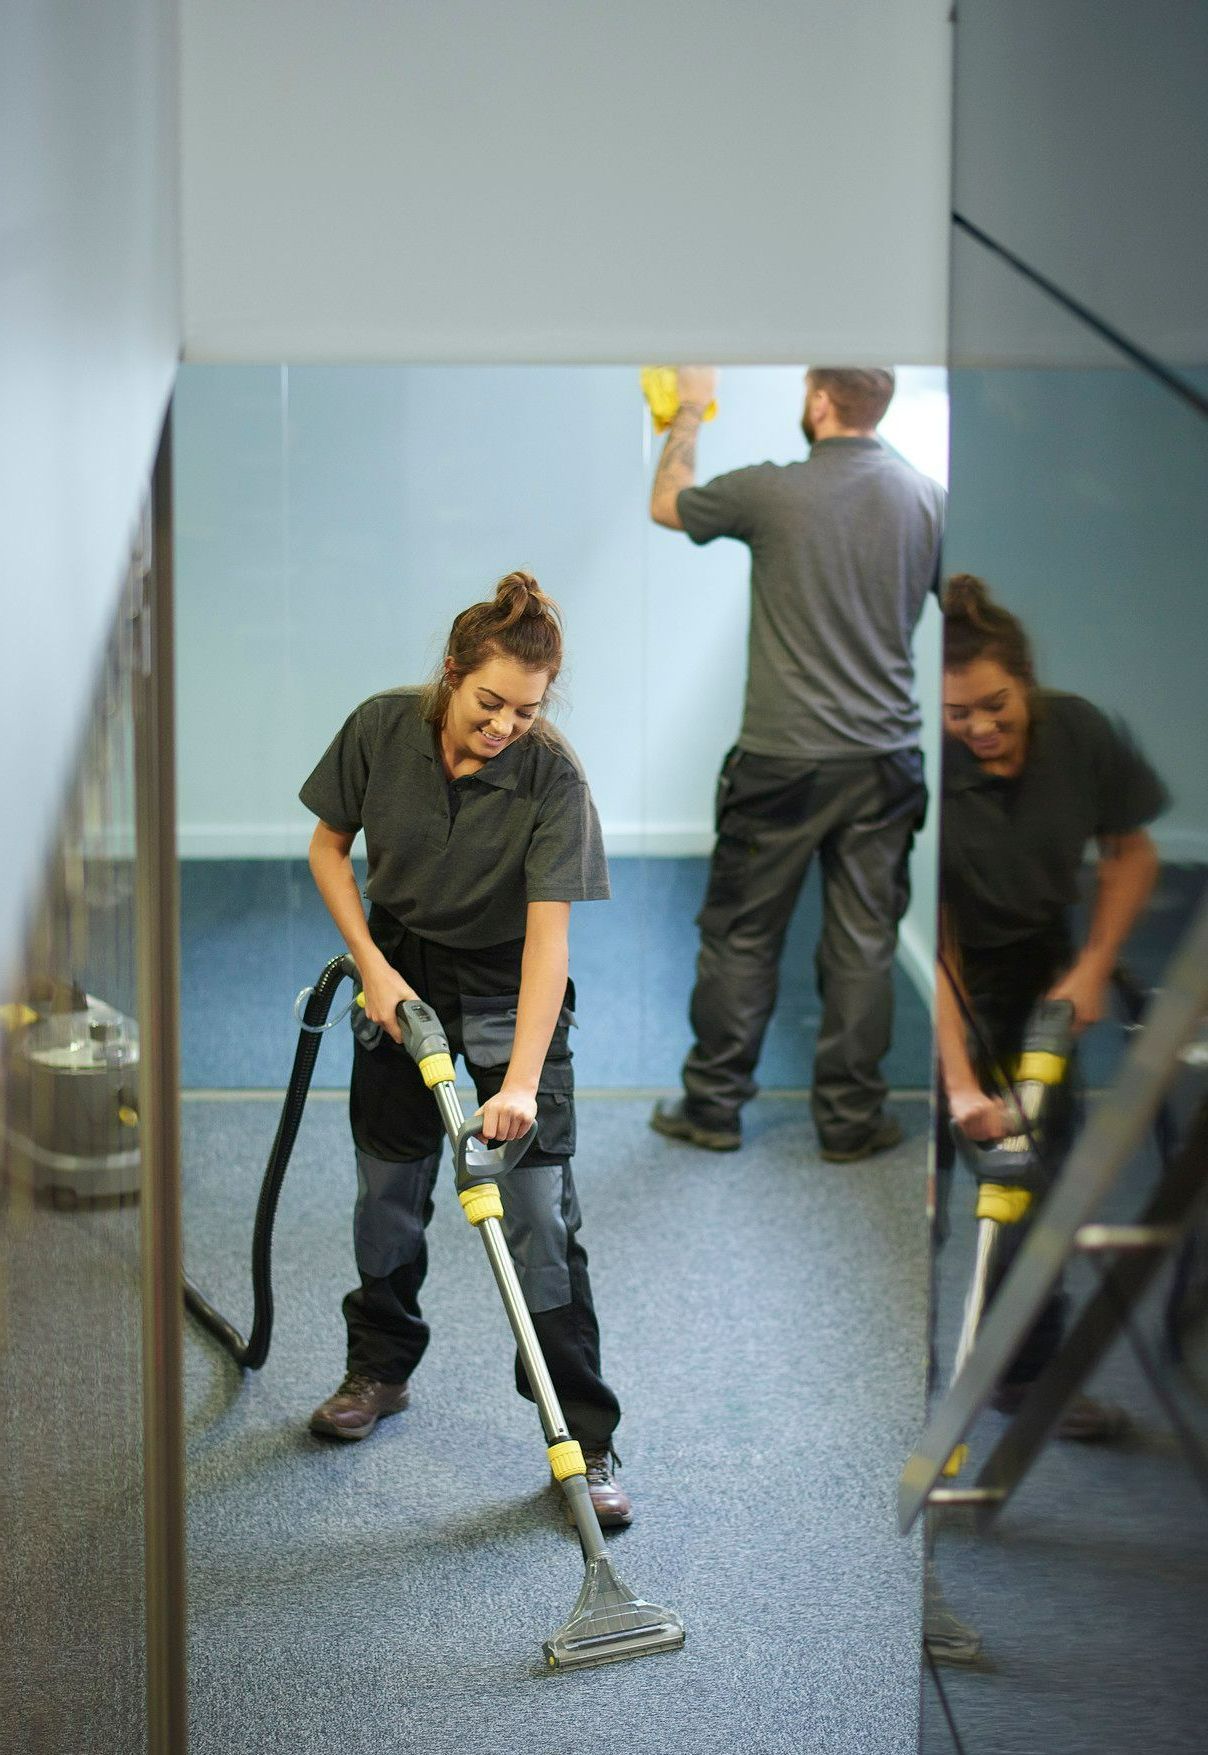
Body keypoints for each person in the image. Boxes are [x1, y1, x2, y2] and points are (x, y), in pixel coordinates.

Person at [299, 571, 631, 1525]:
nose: (505, 725)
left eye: (527, 709)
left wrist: (521, 1082)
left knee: (537, 1219)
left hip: (507, 989)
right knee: (387, 1195)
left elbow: (548, 943)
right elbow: (328, 848)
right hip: (399, 971)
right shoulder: (380, 728)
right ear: (451, 672)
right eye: (490, 702)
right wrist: (372, 966)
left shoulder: (552, 776)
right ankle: (380, 1368)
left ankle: (584, 1437)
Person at [648, 366, 946, 1160]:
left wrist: (688, 409)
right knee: (865, 942)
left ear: (818, 399)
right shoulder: (927, 498)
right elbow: (973, 603)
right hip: (885, 761)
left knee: (742, 934)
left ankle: (713, 1106)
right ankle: (850, 1121)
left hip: (780, 761)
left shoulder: (771, 488)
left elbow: (668, 502)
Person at [934, 572, 1166, 1430]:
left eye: (996, 705)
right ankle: (915, 1384)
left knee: (1038, 1182)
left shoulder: (1078, 731)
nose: (981, 727)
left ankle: (1024, 1374)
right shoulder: (931, 766)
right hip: (954, 972)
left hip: (1043, 962)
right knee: (937, 1186)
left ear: (1026, 683)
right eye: (959, 713)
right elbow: (936, 940)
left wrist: (1093, 965)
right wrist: (961, 1084)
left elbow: (1130, 853)